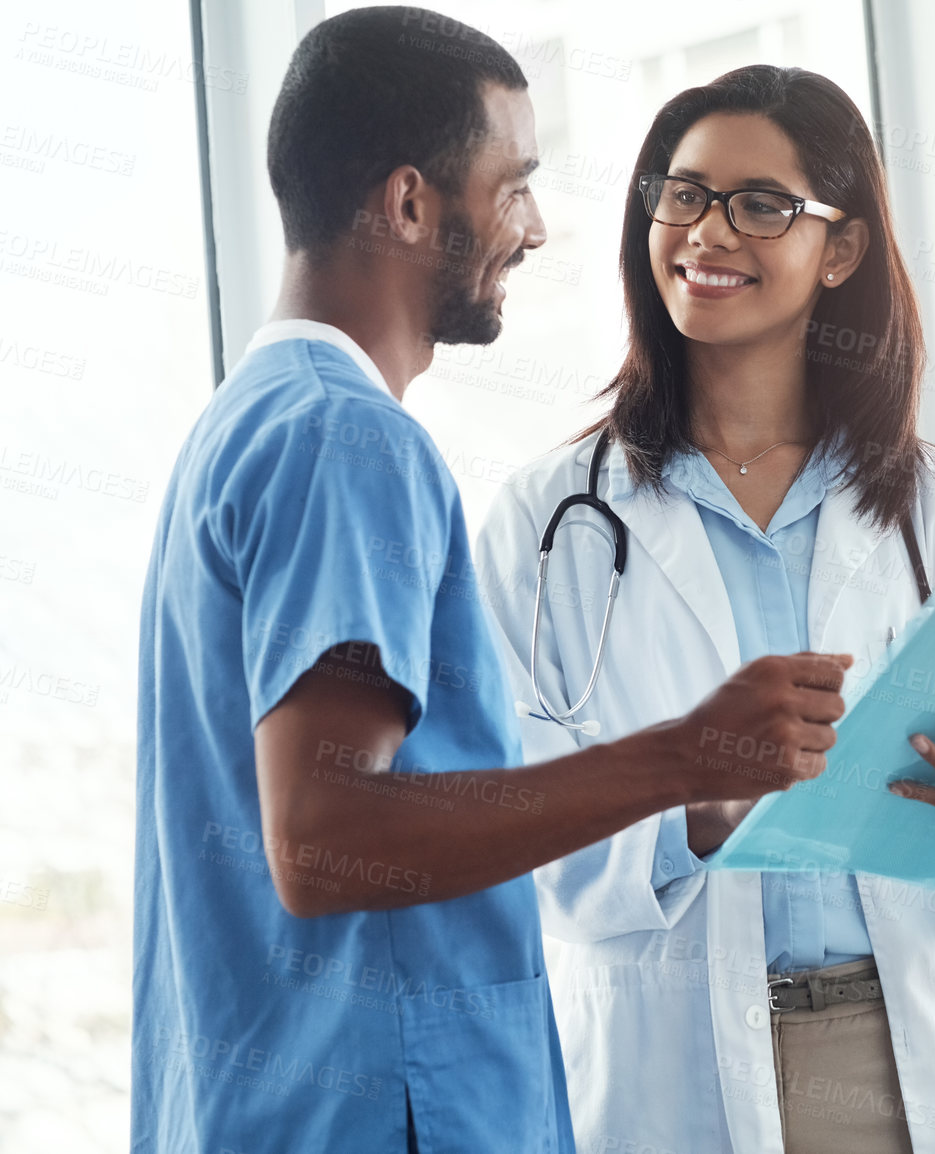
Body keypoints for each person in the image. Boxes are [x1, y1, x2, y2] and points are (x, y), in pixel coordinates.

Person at [132, 13, 852, 1153]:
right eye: (511, 185)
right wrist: (687, 754)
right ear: (411, 203)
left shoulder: (245, 425)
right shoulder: (344, 440)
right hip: (375, 1113)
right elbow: (322, 839)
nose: (536, 226)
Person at [474, 65, 935, 1153]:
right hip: (670, 1057)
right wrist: (705, 804)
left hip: (900, 1054)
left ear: (842, 249)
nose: (706, 232)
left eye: (760, 205)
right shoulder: (553, 520)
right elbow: (511, 822)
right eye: (681, 195)